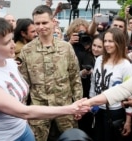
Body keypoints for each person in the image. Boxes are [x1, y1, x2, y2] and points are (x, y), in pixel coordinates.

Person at [0, 16, 89, 141]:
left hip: (23, 131)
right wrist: (71, 108)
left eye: (12, 40)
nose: (13, 45)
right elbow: (23, 112)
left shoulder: (9, 62)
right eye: (7, 43)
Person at [18, 5, 84, 141]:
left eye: (44, 22)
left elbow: (75, 78)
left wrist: (78, 104)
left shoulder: (66, 48)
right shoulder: (27, 51)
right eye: (37, 23)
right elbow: (23, 84)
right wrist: (22, 111)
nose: (41, 27)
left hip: (65, 108)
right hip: (39, 110)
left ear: (53, 22)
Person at [89, 27, 132, 141]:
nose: (106, 44)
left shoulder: (125, 65)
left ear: (119, 43)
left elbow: (129, 94)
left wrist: (128, 121)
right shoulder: (99, 59)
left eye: (110, 41)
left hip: (115, 112)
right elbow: (94, 82)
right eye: (105, 41)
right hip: (97, 110)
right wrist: (91, 102)